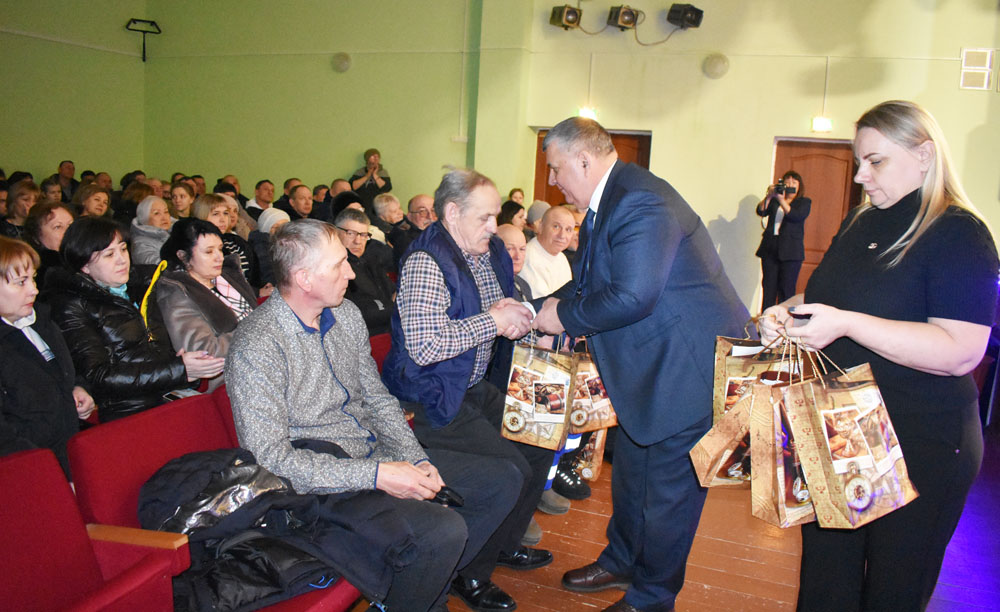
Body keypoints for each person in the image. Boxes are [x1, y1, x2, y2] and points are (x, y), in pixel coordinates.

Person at [758, 100, 998, 612]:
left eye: (876, 161)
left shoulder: (960, 233)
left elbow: (960, 351)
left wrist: (847, 324)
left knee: (893, 591)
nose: (860, 175)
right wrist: (785, 310)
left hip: (921, 441)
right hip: (844, 427)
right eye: (859, 161)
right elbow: (829, 297)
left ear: (925, 155)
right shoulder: (860, 220)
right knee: (825, 583)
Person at [224, 220, 522, 612]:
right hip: (318, 486)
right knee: (443, 529)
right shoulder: (257, 344)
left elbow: (379, 400)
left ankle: (428, 584)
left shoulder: (345, 315)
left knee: (502, 480)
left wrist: (414, 458)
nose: (351, 272)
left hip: (373, 455)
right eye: (338, 264)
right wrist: (379, 475)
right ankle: (415, 595)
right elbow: (272, 461)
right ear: (304, 278)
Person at [531, 117, 748, 612]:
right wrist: (536, 308)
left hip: (686, 372)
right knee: (631, 478)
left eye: (557, 168)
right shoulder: (610, 199)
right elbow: (591, 283)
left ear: (583, 159)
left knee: (669, 496)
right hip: (652, 368)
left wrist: (560, 317)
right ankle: (623, 560)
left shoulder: (640, 200)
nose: (553, 180)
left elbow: (632, 296)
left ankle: (652, 598)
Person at [383, 169, 554, 612]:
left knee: (540, 435)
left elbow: (490, 307)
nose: (495, 227)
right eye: (485, 217)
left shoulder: (484, 249)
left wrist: (516, 315)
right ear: (453, 213)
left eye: (496, 216)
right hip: (429, 396)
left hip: (471, 385)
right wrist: (493, 321)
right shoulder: (426, 261)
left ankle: (502, 543)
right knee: (510, 471)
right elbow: (424, 347)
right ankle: (468, 573)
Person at [42, 217, 224, 421]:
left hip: (168, 397)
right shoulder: (71, 305)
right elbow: (99, 376)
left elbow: (154, 353)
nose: (122, 259)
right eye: (109, 255)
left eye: (123, 249)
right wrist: (178, 369)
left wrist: (186, 368)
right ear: (84, 265)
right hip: (128, 412)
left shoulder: (142, 287)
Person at [0, 237, 94, 477]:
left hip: (66, 449)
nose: (34, 289)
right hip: (31, 469)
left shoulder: (40, 321)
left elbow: (63, 370)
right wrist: (45, 471)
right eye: (20, 282)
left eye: (32, 278)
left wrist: (78, 387)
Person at [153, 219, 257, 391]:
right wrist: (258, 330)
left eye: (220, 249)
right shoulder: (176, 291)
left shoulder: (226, 275)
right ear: (183, 256)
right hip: (229, 379)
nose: (219, 257)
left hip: (259, 362)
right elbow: (204, 352)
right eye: (209, 252)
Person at [334, 208, 396, 335]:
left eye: (363, 235)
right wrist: (394, 308)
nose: (358, 241)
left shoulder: (372, 261)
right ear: (336, 233)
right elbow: (361, 315)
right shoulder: (335, 270)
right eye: (350, 233)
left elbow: (393, 294)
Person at [755, 170, 811, 309]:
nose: (790, 184)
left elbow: (795, 216)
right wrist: (769, 196)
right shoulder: (774, 200)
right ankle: (766, 318)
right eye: (787, 182)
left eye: (794, 182)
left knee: (786, 290)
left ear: (799, 185)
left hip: (791, 252)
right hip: (770, 248)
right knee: (768, 288)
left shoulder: (804, 202)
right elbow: (761, 211)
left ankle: (784, 320)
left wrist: (781, 200)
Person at [518, 204, 575, 298]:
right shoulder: (528, 258)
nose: (562, 235)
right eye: (556, 226)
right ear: (540, 227)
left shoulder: (561, 257)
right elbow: (541, 303)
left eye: (568, 230)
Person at [23, 201, 75, 284]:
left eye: (70, 225)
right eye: (58, 227)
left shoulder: (82, 261)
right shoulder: (39, 274)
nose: (68, 232)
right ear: (36, 236)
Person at [247, 207, 290, 295]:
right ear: (265, 228)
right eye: (276, 227)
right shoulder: (261, 246)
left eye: (284, 227)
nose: (280, 231)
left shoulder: (286, 244)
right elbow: (269, 275)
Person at [389, 193, 435, 268]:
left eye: (433, 210)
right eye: (422, 211)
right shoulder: (408, 244)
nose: (430, 216)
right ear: (409, 216)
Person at [130, 196, 174, 265]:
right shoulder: (141, 244)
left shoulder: (177, 232)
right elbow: (159, 265)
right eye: (156, 213)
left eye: (166, 212)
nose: (164, 218)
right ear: (145, 219)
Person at [350, 148, 392, 215]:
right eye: (373, 156)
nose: (376, 159)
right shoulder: (360, 172)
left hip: (379, 206)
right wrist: (367, 175)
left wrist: (375, 175)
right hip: (362, 204)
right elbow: (353, 186)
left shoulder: (383, 172)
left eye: (377, 157)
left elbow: (387, 188)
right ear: (367, 158)